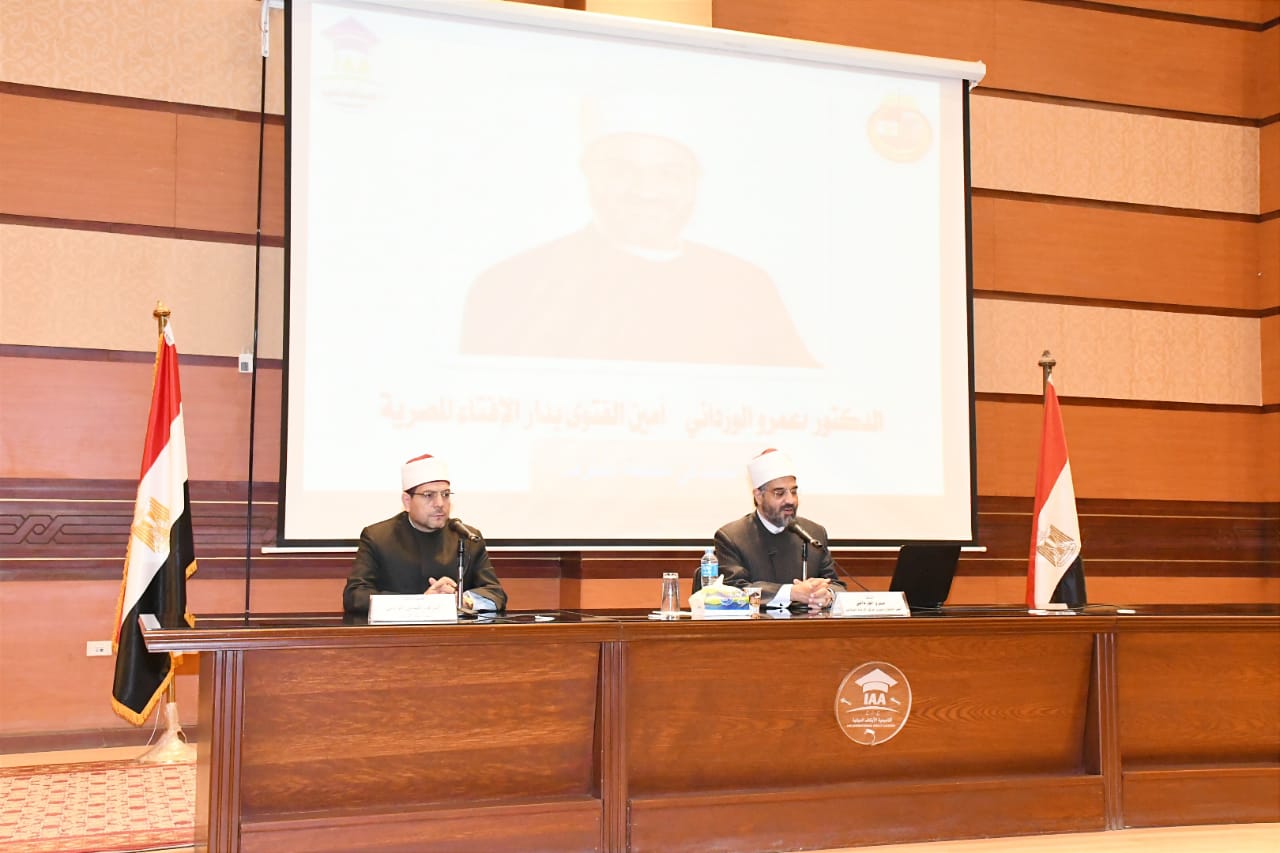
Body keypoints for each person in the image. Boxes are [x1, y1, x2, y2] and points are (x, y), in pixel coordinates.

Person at [459, 95, 817, 367]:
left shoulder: (745, 286)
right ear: (589, 173)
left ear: (695, 181)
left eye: (669, 173)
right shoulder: (513, 285)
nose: (646, 191)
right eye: (620, 170)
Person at [343, 453, 507, 614]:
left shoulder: (467, 537)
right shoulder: (378, 537)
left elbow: (496, 593)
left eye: (445, 494)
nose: (440, 503)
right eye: (429, 495)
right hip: (400, 630)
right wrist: (421, 603)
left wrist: (462, 601)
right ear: (407, 501)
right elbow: (355, 596)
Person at [709, 448, 843, 612]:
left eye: (793, 491)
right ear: (759, 496)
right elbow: (734, 591)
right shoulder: (732, 537)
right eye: (779, 493)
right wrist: (791, 593)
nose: (790, 500)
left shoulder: (813, 533)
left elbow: (836, 585)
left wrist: (827, 595)